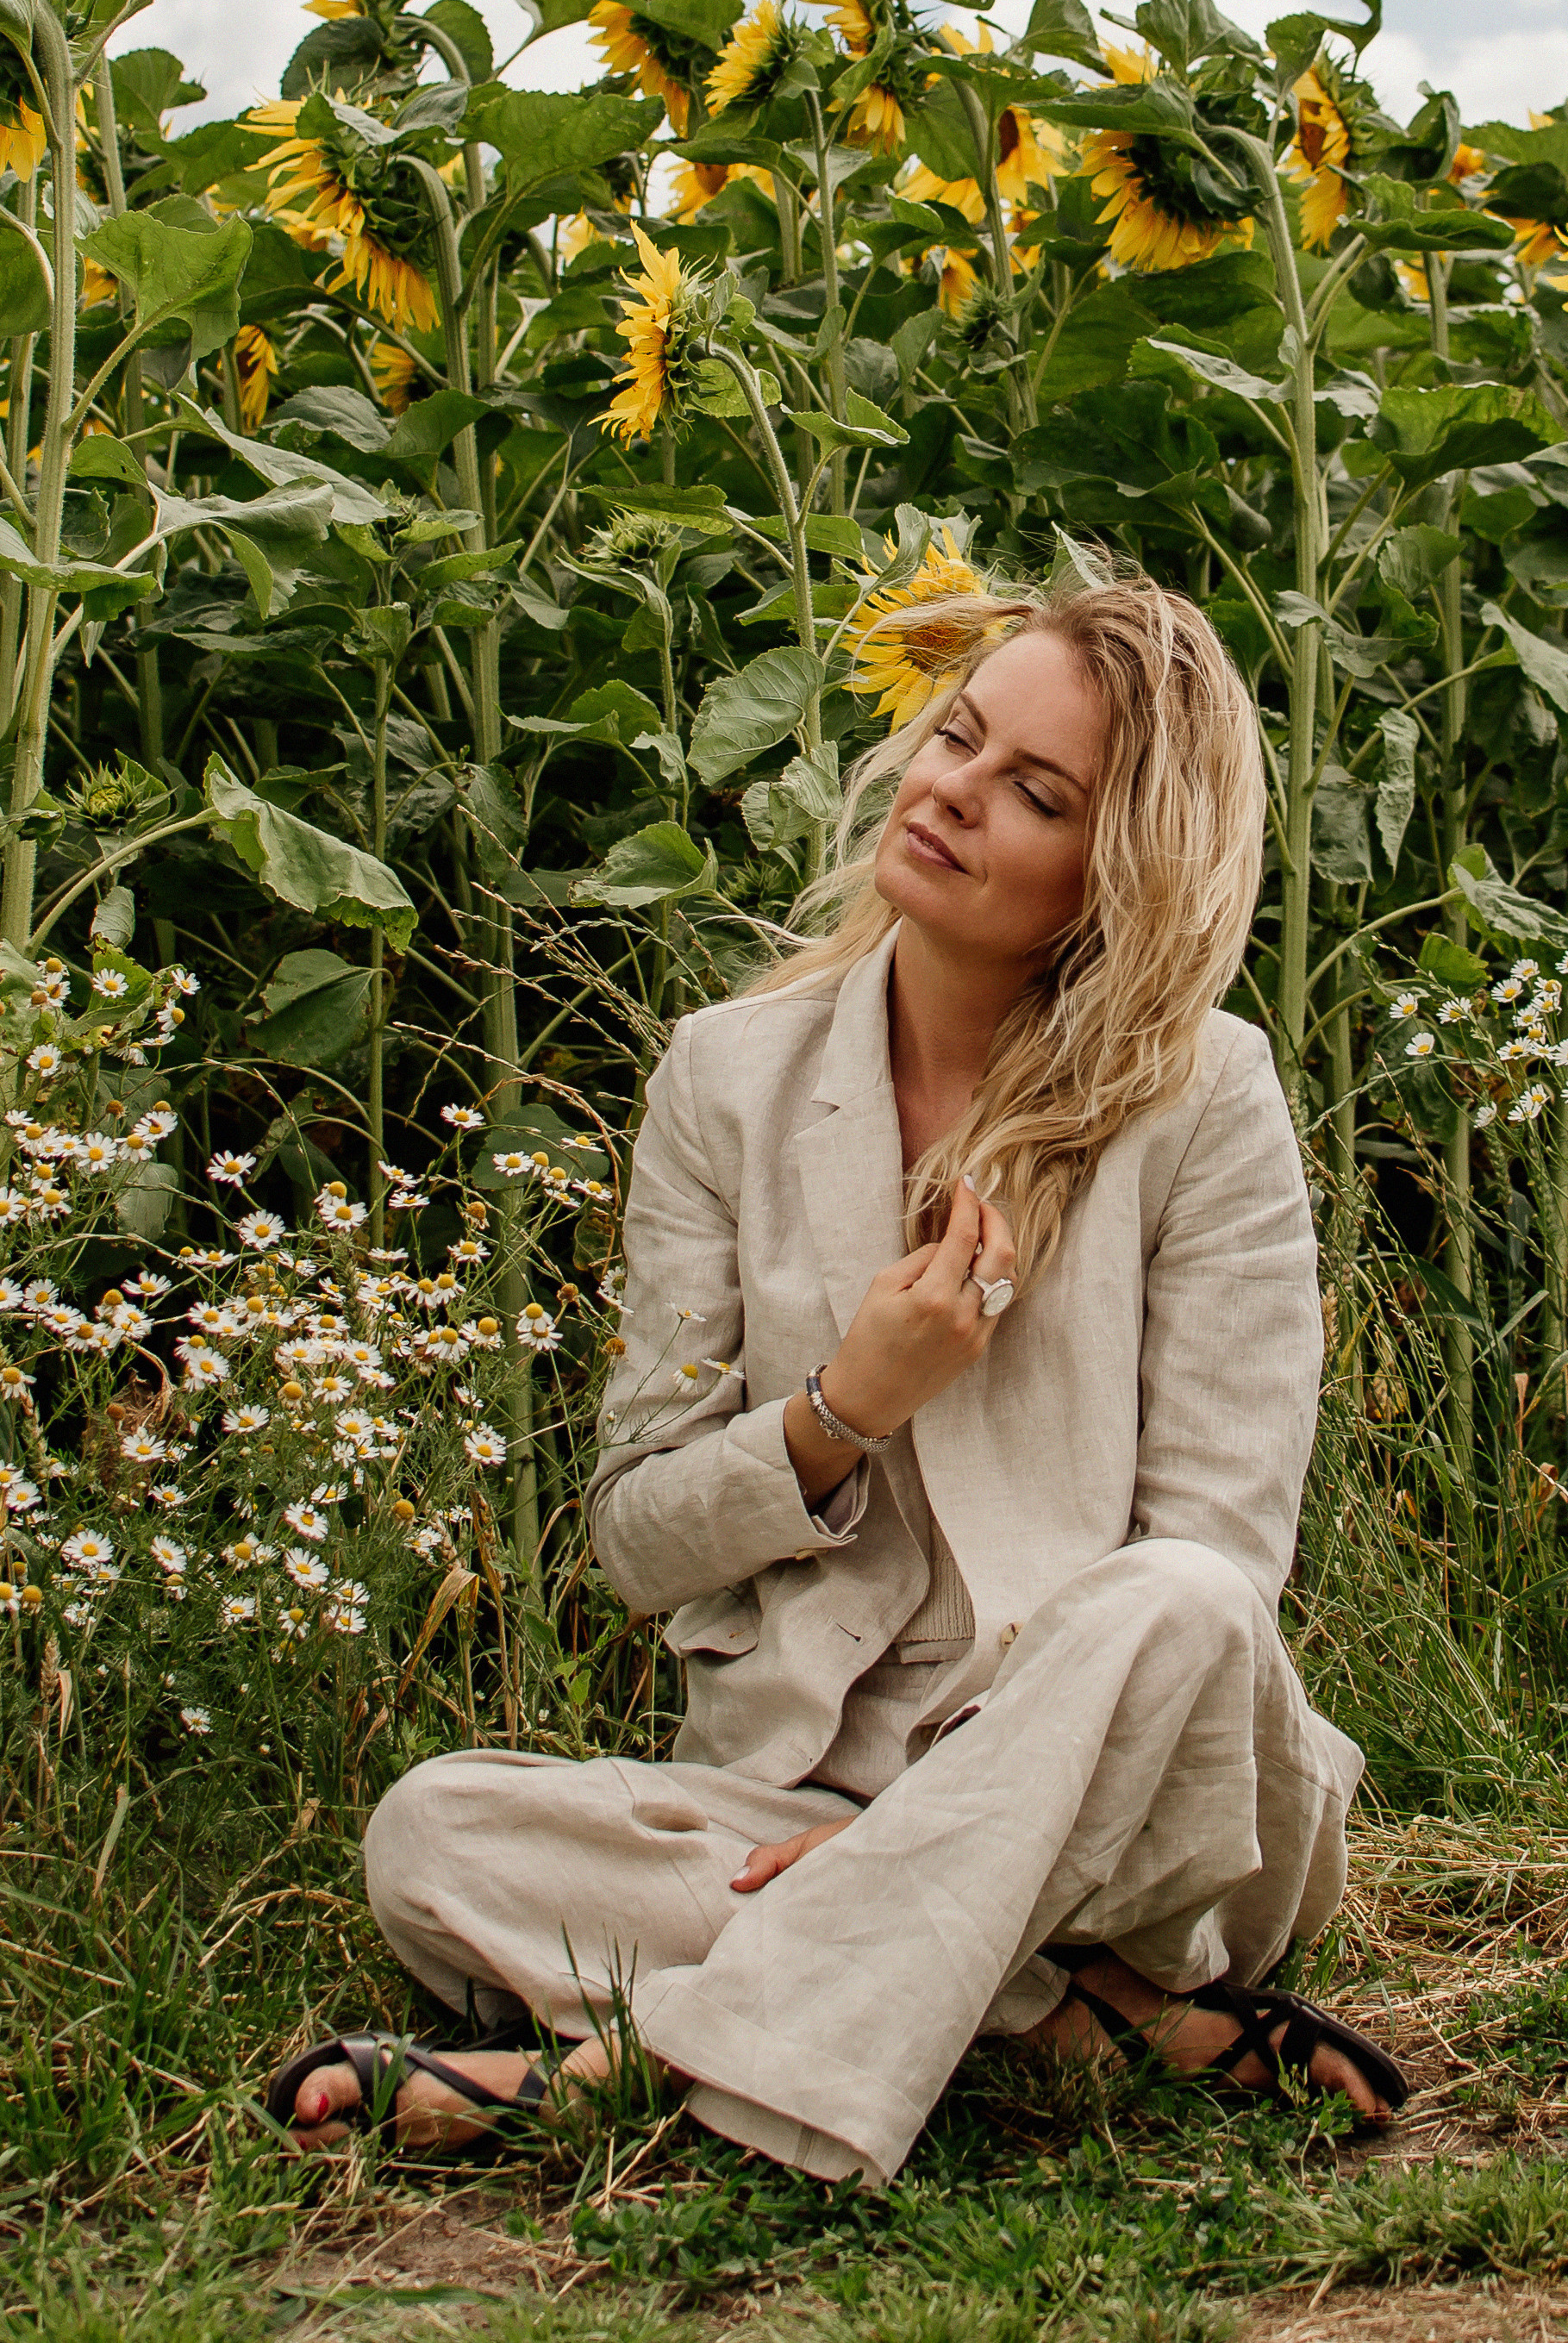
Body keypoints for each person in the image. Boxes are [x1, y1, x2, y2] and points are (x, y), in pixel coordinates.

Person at [268, 572, 1407, 2181]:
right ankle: (1081, 2015)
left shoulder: (1204, 1095)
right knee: (432, 1835)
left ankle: (621, 2068)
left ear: (1114, 876)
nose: (949, 789)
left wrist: (926, 1826)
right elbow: (634, 1540)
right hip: (792, 1793)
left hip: (1146, 1811)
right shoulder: (724, 1080)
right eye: (958, 735)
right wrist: (839, 1411)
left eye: (1035, 793)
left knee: (1183, 1602)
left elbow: (1220, 1550)